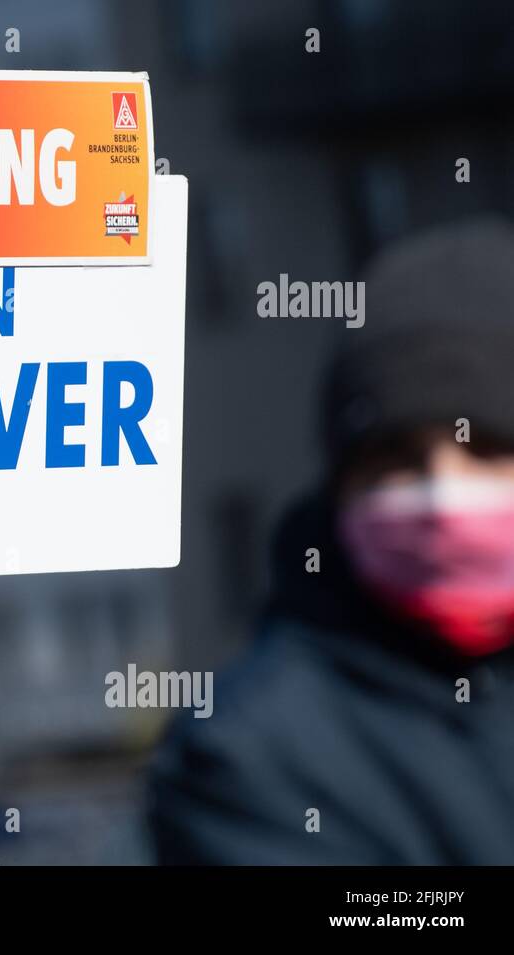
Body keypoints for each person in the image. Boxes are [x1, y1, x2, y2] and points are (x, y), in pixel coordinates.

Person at [150, 219, 514, 864]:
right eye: (394, 458)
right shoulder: (246, 755)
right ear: (339, 482)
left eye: (484, 448)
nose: (440, 494)